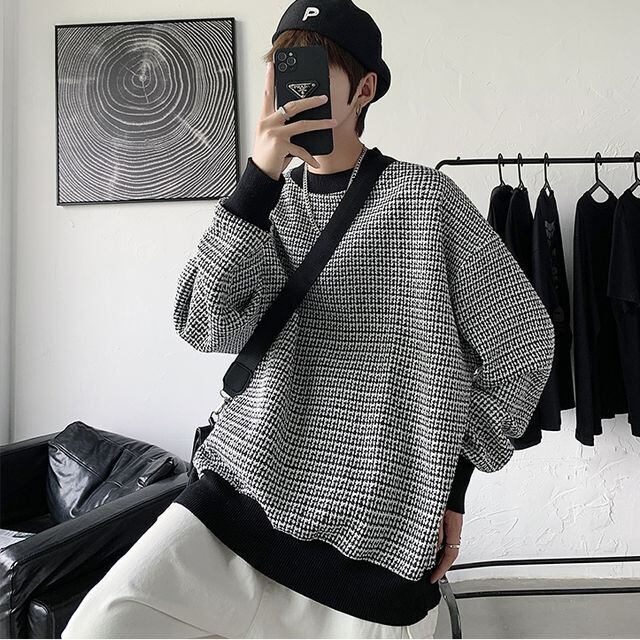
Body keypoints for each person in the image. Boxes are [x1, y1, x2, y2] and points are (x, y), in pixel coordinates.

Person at [62, 1, 555, 638]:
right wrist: (258, 179)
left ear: (364, 89)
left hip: (381, 533)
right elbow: (202, 322)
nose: (295, 91)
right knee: (101, 626)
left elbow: (525, 340)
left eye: (314, 72)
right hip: (241, 491)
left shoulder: (426, 201)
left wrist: (453, 486)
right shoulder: (263, 204)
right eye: (283, 72)